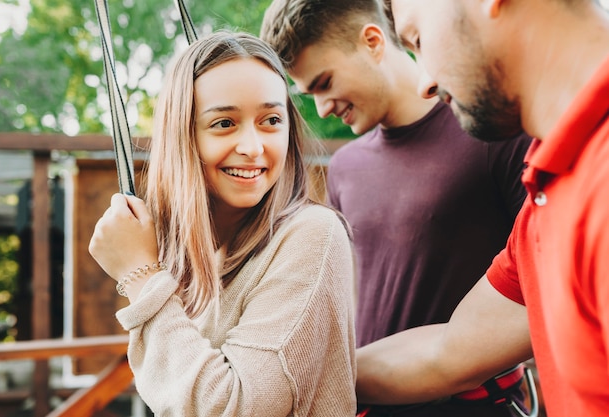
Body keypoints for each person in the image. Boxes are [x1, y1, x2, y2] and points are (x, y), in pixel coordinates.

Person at [260, 1, 532, 416]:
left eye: (324, 82)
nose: (322, 108)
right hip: (366, 403)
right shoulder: (345, 168)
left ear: (372, 42)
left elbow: (541, 288)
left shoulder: (490, 130)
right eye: (308, 94)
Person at [356, 0, 609, 416]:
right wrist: (292, 374)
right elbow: (450, 351)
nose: (425, 84)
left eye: (418, 39)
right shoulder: (549, 189)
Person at [88, 30, 357, 417]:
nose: (252, 147)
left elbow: (234, 408)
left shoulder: (311, 234)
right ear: (184, 138)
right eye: (224, 123)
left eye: (271, 120)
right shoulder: (198, 257)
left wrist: (140, 276)